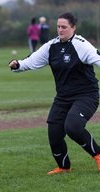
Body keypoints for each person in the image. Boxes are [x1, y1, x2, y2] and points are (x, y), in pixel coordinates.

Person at [9, 12, 100, 175]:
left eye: (64, 27)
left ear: (73, 28)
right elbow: (33, 60)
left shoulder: (82, 45)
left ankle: (98, 155)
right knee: (54, 133)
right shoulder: (52, 46)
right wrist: (18, 65)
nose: (60, 30)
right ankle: (64, 167)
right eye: (58, 27)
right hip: (63, 98)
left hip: (86, 95)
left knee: (72, 127)